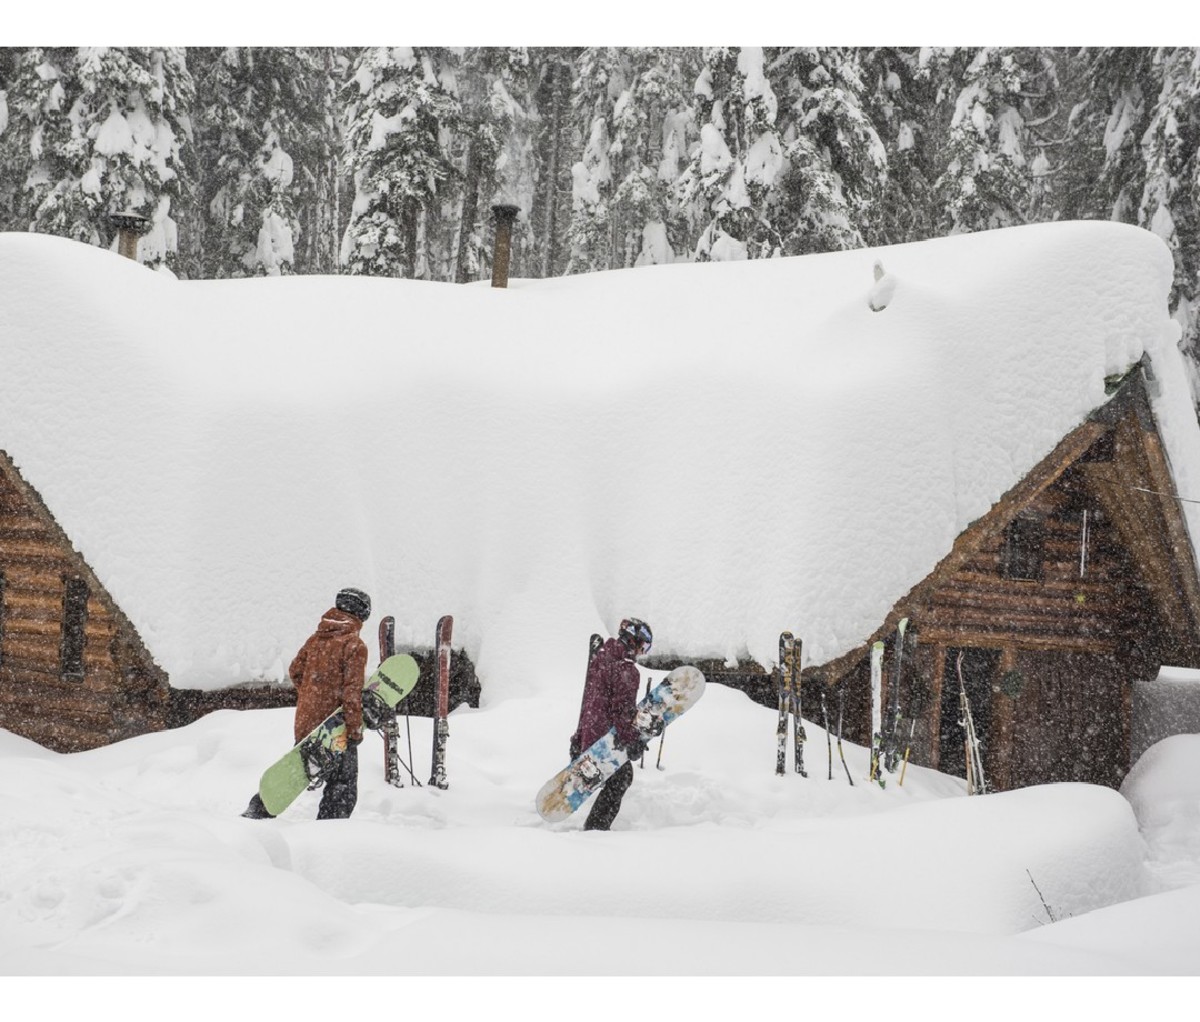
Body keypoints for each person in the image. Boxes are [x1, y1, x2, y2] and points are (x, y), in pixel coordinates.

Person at [242, 587, 371, 820]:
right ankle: (329, 831)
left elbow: (295, 671)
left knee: (297, 772)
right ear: (361, 615)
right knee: (343, 783)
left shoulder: (316, 639)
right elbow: (352, 693)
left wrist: (313, 697)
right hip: (334, 727)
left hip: (305, 720)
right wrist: (354, 729)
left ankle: (258, 808)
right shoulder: (354, 646)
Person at [569, 617, 654, 831]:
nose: (641, 653)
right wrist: (632, 741)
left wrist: (578, 738)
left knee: (616, 777)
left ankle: (595, 826)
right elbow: (623, 712)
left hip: (590, 733)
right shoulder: (627, 671)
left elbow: (588, 700)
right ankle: (596, 830)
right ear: (634, 641)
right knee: (622, 778)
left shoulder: (600, 659)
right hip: (605, 738)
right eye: (643, 646)